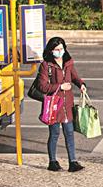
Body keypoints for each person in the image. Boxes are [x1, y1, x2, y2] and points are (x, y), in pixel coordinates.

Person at [37, 37, 86, 172]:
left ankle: (73, 161)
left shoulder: (68, 62)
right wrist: (60, 87)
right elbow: (42, 85)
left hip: (67, 104)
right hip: (54, 105)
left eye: (62, 49)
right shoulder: (46, 65)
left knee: (69, 132)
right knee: (54, 133)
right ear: (51, 51)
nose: (60, 52)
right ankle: (52, 161)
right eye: (57, 49)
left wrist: (81, 84)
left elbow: (74, 76)